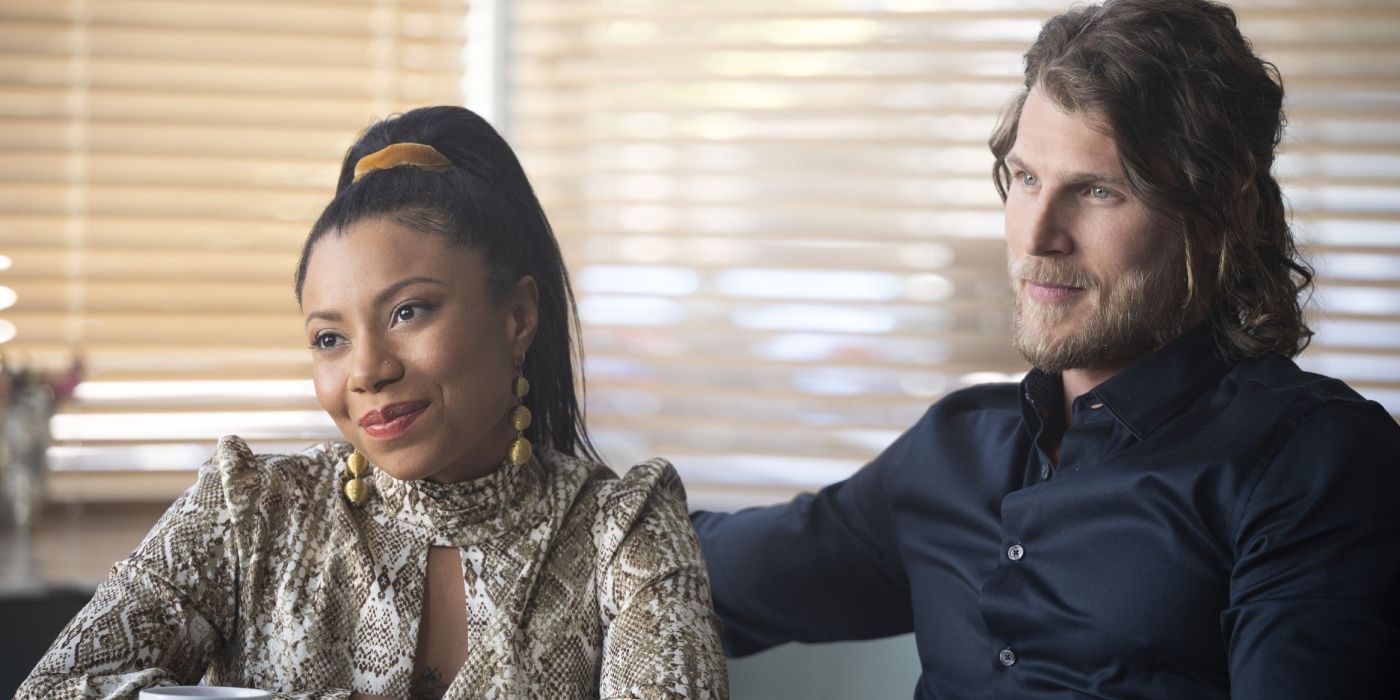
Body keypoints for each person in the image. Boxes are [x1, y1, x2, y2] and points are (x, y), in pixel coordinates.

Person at [691, 1, 1400, 698]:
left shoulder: (1313, 461)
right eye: (1027, 179)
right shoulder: (954, 450)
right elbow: (694, 570)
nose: (1037, 238)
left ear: (1218, 216)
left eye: (1097, 191)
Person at [19, 107, 728, 699]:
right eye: (329, 337)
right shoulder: (249, 513)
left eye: (409, 312)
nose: (366, 371)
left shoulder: (622, 530)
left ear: (517, 317)